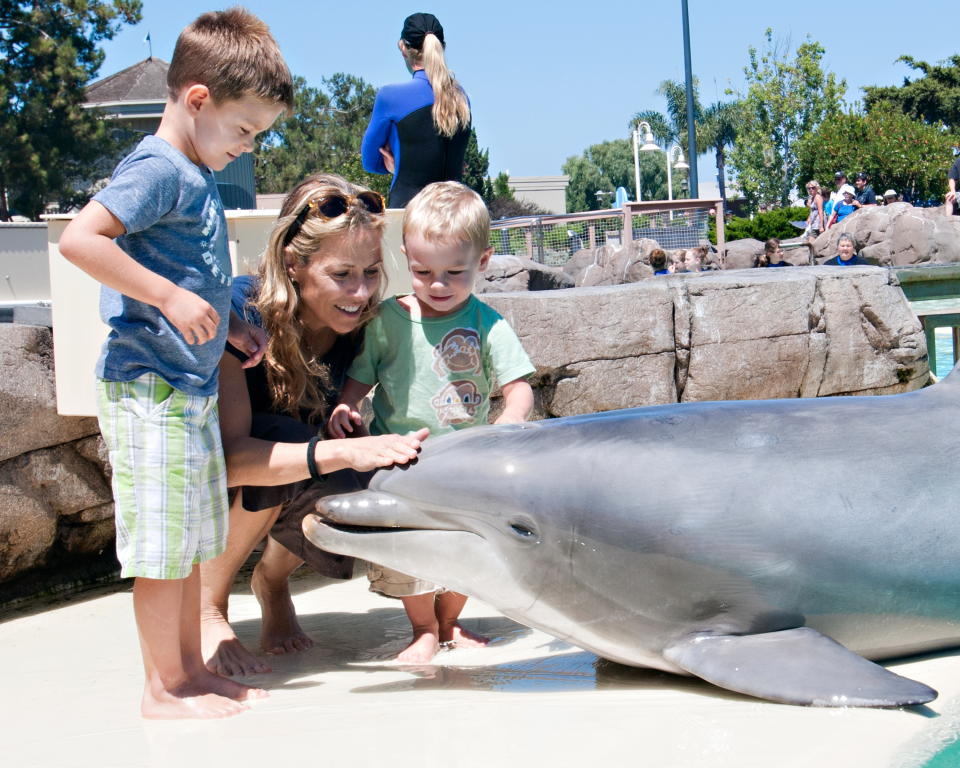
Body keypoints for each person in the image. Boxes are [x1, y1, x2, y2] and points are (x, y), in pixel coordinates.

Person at [58, 8, 294, 719]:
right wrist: (164, 298)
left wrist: (226, 320)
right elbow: (80, 240)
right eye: (244, 130)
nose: (249, 147)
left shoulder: (194, 172)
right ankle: (162, 688)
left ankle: (190, 670)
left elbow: (185, 268)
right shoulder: (160, 167)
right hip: (149, 388)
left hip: (186, 385)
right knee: (162, 548)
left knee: (191, 543)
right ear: (197, 100)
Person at [200, 173, 429, 678]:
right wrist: (340, 452)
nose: (360, 291)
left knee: (358, 474)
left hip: (295, 463)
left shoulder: (360, 330)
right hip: (217, 479)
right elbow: (234, 456)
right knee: (293, 441)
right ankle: (208, 605)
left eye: (371, 272)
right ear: (293, 264)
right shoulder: (241, 316)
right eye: (341, 274)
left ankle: (272, 580)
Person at [327, 181, 535, 663]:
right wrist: (347, 406)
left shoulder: (489, 324)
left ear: (482, 262)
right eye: (422, 271)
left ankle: (450, 622)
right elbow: (361, 378)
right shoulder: (387, 319)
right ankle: (423, 627)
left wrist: (509, 423)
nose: (437, 285)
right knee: (410, 548)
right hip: (401, 461)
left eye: (453, 273)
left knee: (466, 546)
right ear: (405, 257)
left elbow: (518, 386)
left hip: (467, 463)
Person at [361, 13, 471, 208]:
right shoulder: (461, 98)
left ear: (403, 48)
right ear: (442, 47)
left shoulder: (390, 97)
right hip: (455, 213)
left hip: (411, 213)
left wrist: (402, 166)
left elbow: (370, 162)